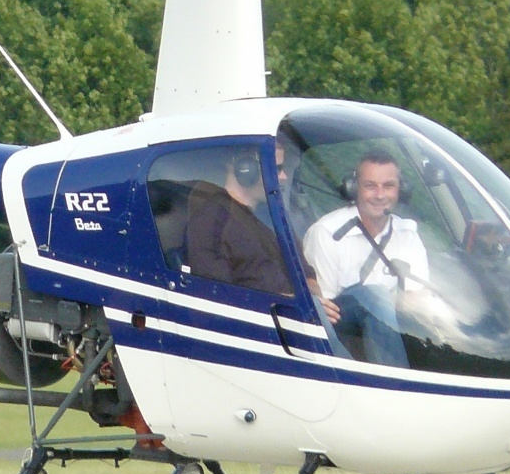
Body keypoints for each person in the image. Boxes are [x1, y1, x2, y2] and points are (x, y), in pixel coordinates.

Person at [300, 150, 429, 367]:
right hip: (339, 322)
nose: (380, 195)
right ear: (354, 188)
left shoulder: (408, 234)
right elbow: (325, 308)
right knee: (374, 295)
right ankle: (396, 384)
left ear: (401, 190)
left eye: (388, 186)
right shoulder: (326, 232)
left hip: (392, 325)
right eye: (370, 186)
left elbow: (417, 299)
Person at [182, 146, 293, 295]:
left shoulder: (273, 214)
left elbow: (304, 271)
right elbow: (219, 294)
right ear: (245, 169)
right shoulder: (210, 222)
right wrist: (290, 301)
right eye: (277, 168)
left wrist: (316, 300)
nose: (284, 176)